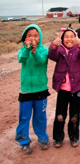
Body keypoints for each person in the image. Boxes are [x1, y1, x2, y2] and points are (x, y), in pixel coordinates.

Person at [48, 24, 80, 148]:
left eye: (72, 36)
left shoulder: (79, 50)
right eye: (66, 37)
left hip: (76, 89)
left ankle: (74, 136)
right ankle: (58, 137)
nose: (69, 39)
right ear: (62, 38)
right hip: (63, 89)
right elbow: (51, 55)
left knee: (74, 116)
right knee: (60, 115)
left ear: (76, 38)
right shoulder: (59, 50)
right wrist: (54, 45)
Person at [16, 24, 50, 155]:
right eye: (29, 35)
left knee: (40, 116)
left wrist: (35, 52)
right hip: (25, 89)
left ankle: (42, 138)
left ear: (40, 37)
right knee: (24, 117)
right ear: (25, 38)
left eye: (36, 35)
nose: (33, 38)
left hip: (40, 89)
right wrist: (27, 49)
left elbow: (41, 62)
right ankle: (24, 141)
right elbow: (21, 59)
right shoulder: (22, 50)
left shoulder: (44, 50)